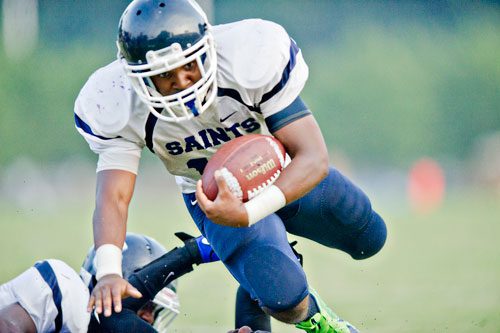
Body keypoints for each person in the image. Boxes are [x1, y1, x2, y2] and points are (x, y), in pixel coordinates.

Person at [74, 0, 388, 332]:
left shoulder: (247, 57)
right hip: (210, 200)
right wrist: (108, 270)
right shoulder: (117, 101)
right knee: (284, 298)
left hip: (280, 170)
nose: (182, 81)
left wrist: (251, 212)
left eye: (189, 66)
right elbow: (114, 198)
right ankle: (320, 319)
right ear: (138, 78)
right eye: (165, 75)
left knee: (370, 238)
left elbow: (313, 157)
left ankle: (260, 257)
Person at [0, 232, 217, 333]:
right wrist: (191, 254)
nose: (149, 317)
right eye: (146, 305)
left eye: (156, 309)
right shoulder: (65, 289)